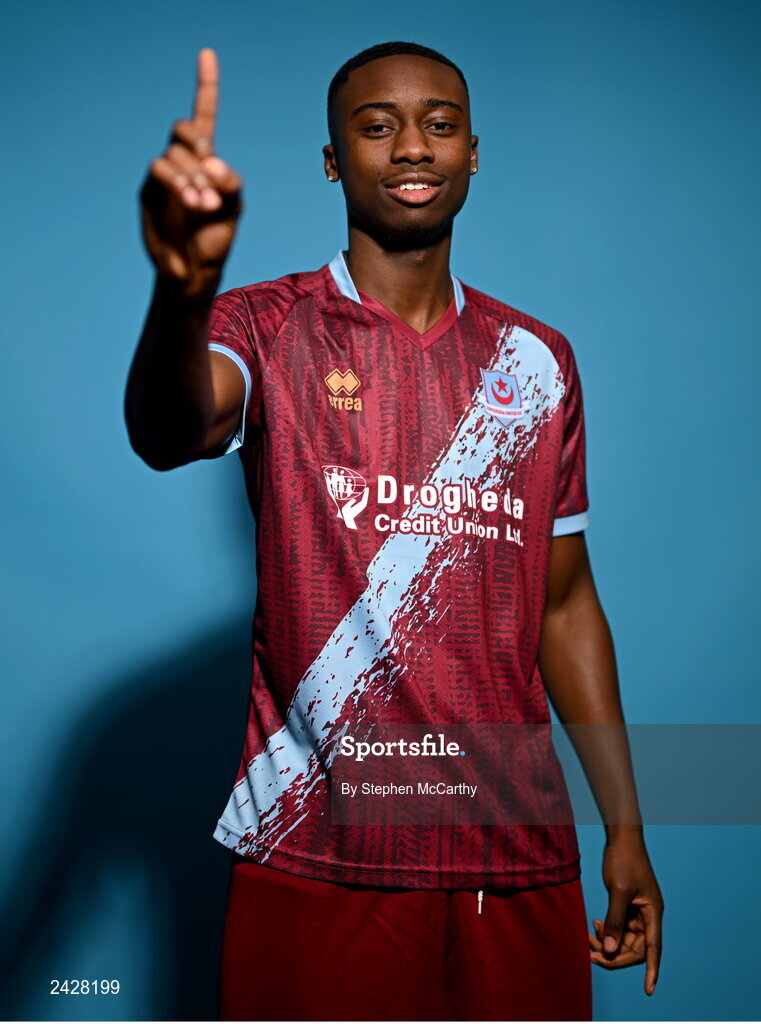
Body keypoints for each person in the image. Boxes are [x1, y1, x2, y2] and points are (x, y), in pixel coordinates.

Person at [125, 41, 664, 1022]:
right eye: (376, 127)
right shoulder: (265, 324)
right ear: (333, 160)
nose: (411, 146)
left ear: (471, 153)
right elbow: (170, 431)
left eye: (438, 125)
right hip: (318, 847)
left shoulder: (535, 359)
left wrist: (623, 825)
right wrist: (180, 289)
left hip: (516, 849)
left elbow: (564, 601)